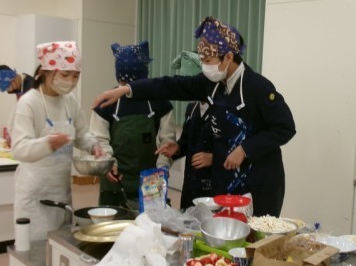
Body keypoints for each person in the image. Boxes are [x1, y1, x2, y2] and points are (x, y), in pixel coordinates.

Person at [92, 16, 296, 217]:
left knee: (254, 234)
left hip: (259, 183)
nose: (205, 67)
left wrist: (245, 149)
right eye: (202, 61)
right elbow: (170, 85)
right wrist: (127, 89)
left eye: (208, 61)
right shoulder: (212, 84)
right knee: (226, 232)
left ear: (228, 57)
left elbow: (285, 127)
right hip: (226, 183)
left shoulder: (257, 87)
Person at [12, 41, 104, 266]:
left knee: (59, 249)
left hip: (61, 189)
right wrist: (48, 143)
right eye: (66, 74)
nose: (71, 81)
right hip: (34, 192)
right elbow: (19, 148)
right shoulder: (29, 103)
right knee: (36, 253)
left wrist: (94, 146)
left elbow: (82, 134)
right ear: (47, 71)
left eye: (76, 75)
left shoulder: (70, 102)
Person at [89, 41, 175, 208]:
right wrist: (108, 163)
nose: (127, 87)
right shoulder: (106, 103)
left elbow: (168, 141)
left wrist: (162, 166)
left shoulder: (159, 102)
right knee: (114, 222)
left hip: (151, 179)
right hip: (115, 180)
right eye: (123, 83)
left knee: (150, 222)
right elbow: (99, 140)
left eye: (134, 84)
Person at [156, 50, 213, 210]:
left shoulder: (223, 109)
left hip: (213, 186)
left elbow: (235, 149)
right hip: (191, 184)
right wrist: (177, 148)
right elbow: (187, 141)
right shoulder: (192, 108)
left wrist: (214, 158)